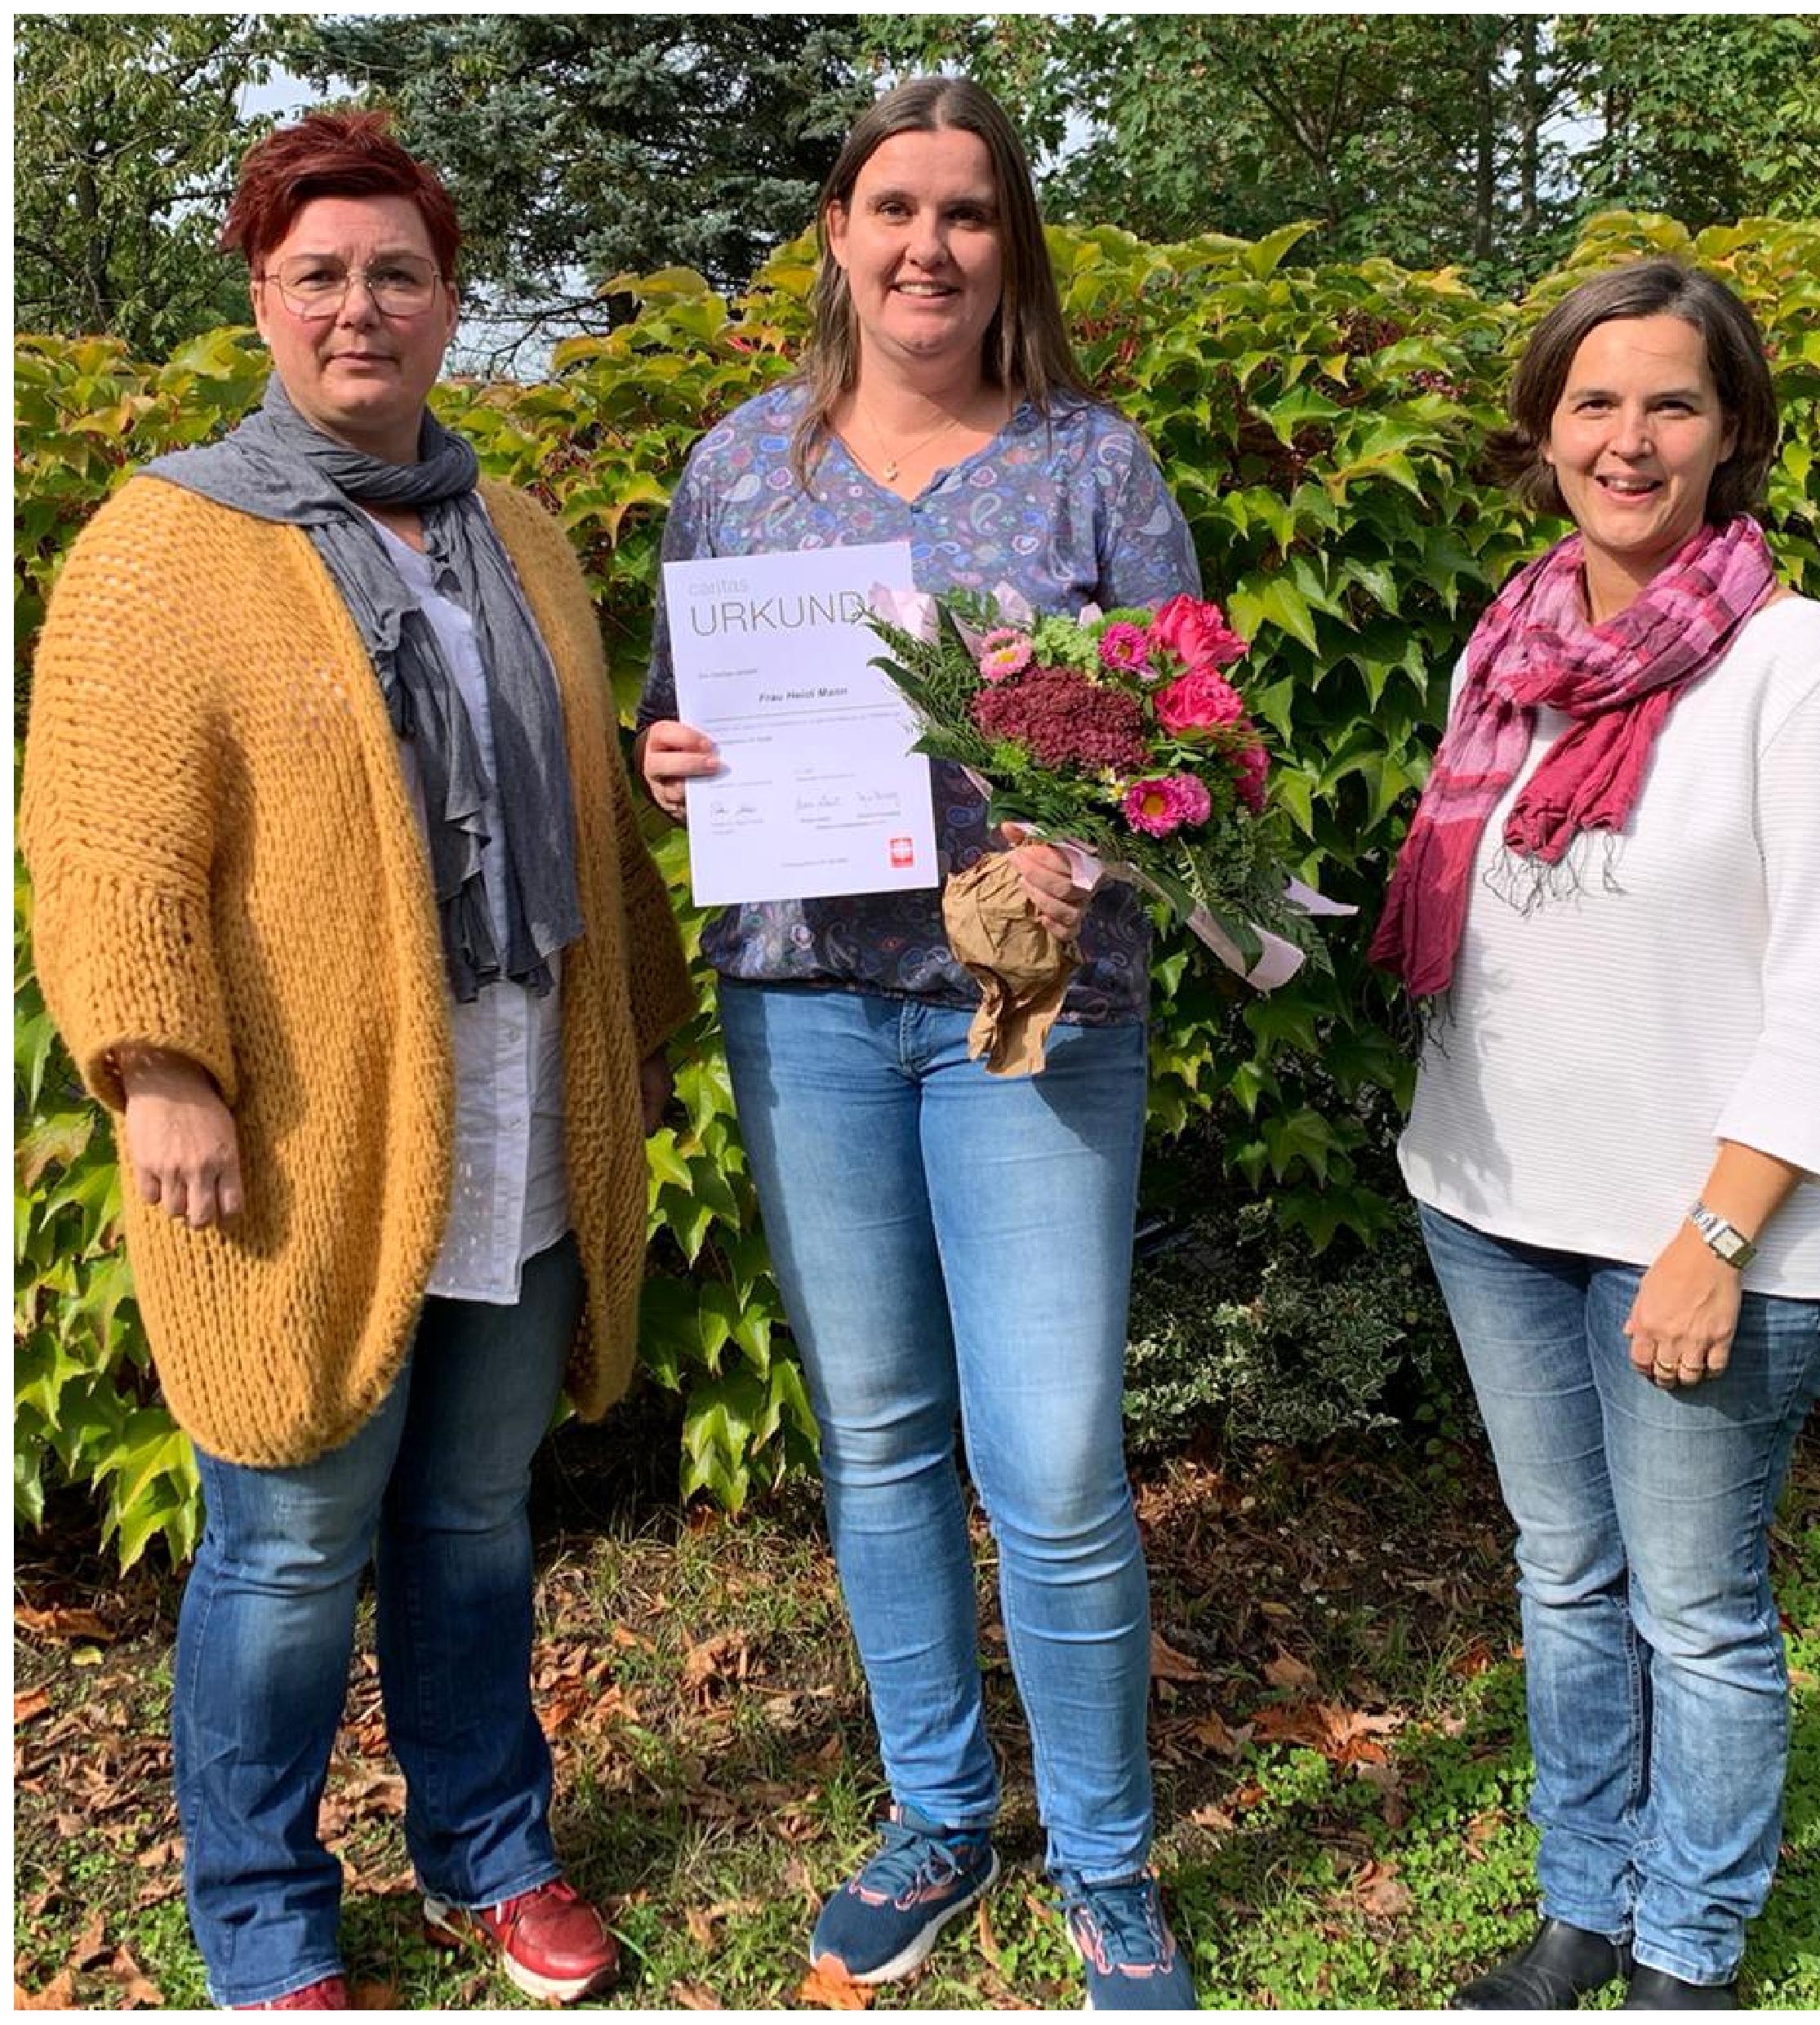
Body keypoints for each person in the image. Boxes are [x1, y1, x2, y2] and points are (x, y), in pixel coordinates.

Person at [22, 112, 692, 2010]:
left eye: (397, 271)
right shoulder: (167, 546)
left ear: (449, 300)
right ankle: (259, 1906)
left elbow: (578, 796)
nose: (360, 306)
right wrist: (160, 1059)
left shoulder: (521, 533)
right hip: (300, 1125)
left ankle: (489, 1845)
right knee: (292, 1527)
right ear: (261, 295)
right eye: (318, 273)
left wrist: (628, 1025)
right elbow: (104, 830)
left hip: (511, 1098)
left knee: (475, 1510)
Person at [631, 78, 1198, 2009]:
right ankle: (940, 1813)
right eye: (894, 207)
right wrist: (669, 757)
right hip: (801, 1003)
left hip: (1028, 1016)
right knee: (879, 1441)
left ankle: (1108, 1860)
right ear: (836, 232)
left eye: (966, 213)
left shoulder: (1091, 466)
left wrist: (1097, 824)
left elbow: (1192, 749)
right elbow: (671, 726)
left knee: (1044, 1457)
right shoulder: (740, 471)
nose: (927, 247)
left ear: (1007, 243)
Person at [1375, 259, 1820, 2009]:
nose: (1627, 437)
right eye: (1592, 401)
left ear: (1730, 431)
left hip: (1702, 1237)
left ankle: (1683, 1945)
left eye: (1669, 402)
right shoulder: (1508, 643)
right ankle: (1580, 1910)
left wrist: (1717, 1234)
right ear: (1540, 431)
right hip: (1494, 1198)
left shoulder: (1792, 663)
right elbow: (1473, 913)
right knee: (1563, 1576)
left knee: (1693, 1610)